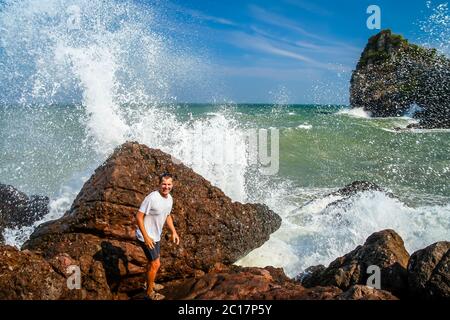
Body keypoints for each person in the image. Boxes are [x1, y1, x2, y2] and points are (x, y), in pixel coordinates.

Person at [135, 172, 180, 300]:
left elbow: (167, 215)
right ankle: (149, 292)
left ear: (172, 185)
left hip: (156, 236)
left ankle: (148, 282)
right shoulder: (152, 198)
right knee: (156, 264)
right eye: (164, 184)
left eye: (169, 184)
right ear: (159, 184)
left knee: (152, 262)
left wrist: (174, 232)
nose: (166, 187)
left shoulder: (170, 198)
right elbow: (138, 217)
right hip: (145, 236)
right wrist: (146, 237)